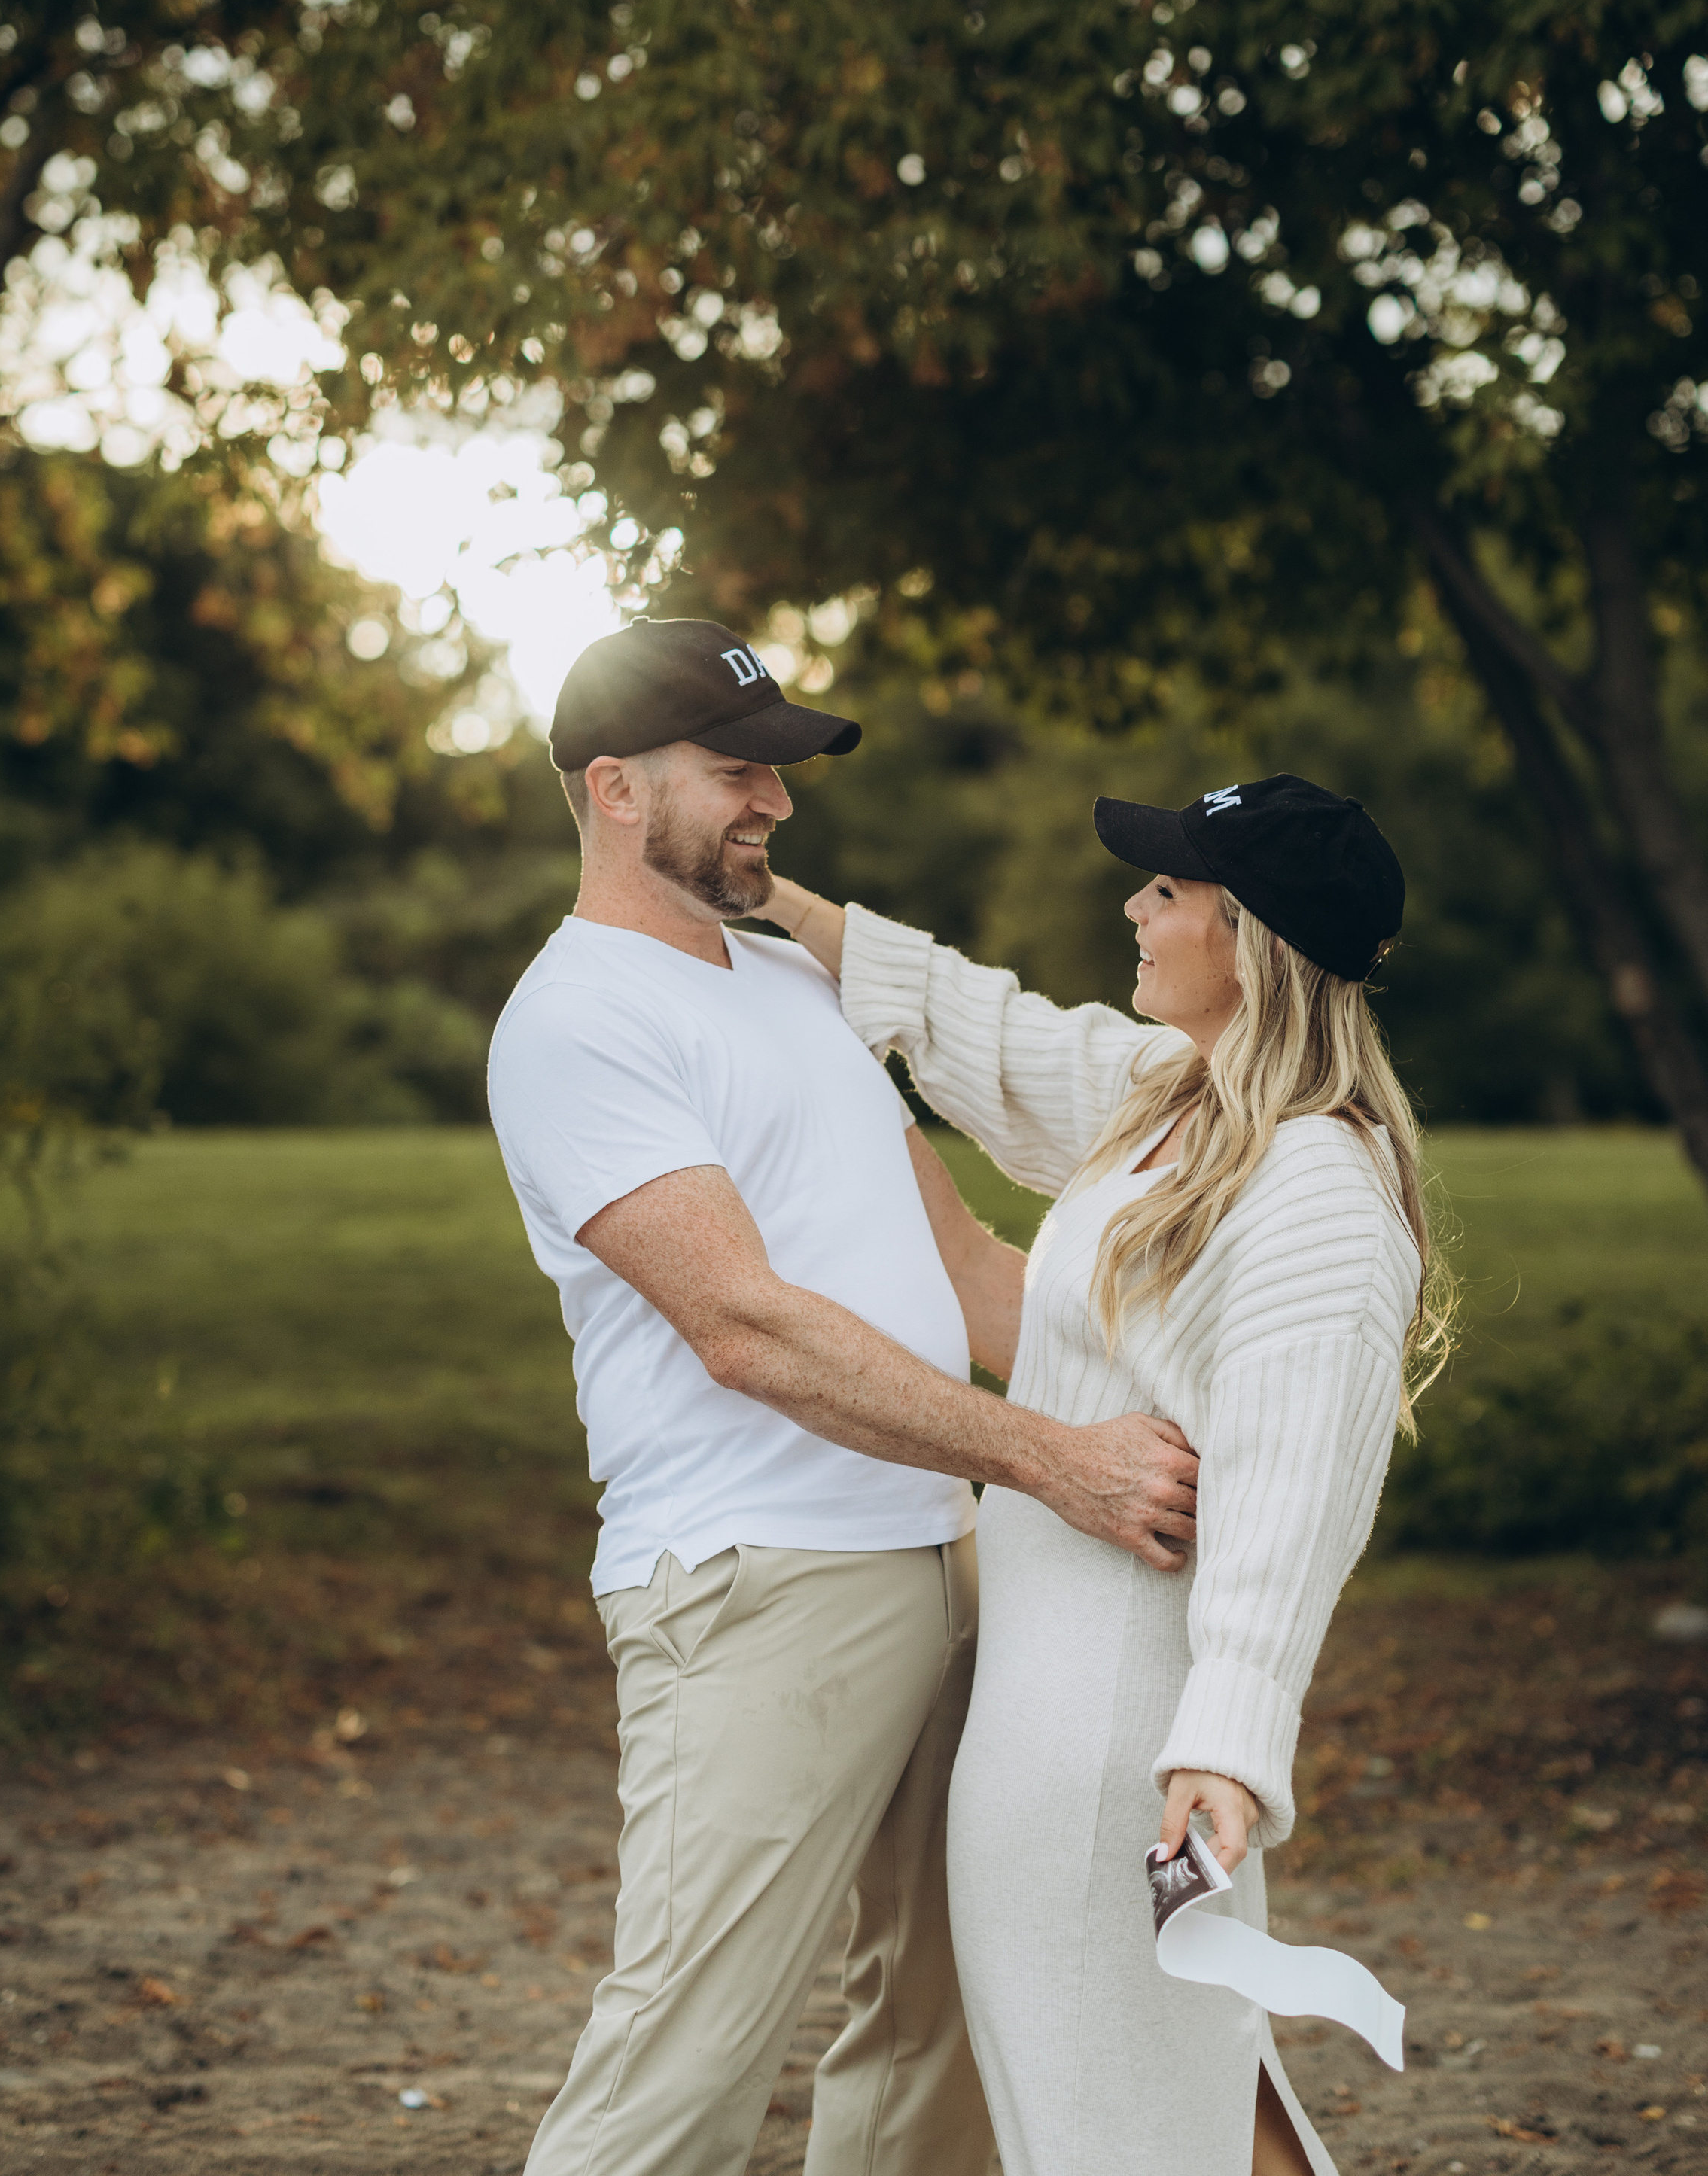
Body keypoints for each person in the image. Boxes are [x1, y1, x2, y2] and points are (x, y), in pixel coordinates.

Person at [486, 616, 1202, 2176]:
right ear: (613, 788)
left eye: (781, 772)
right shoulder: (576, 1018)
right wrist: (1049, 1463)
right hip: (756, 1585)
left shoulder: (779, 980)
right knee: (681, 2059)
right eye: (737, 772)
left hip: (938, 1559)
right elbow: (745, 1326)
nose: (775, 804)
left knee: (943, 2032)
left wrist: (1207, 1405)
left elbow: (963, 1269)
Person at [760, 773, 1450, 2176]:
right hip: (1043, 1720)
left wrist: (1226, 1749)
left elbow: (1295, 1491)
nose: (1135, 906)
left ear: (1250, 938)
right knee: (1178, 2110)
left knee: (1123, 2126)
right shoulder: (1173, 1108)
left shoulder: (1316, 1184)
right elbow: (986, 1036)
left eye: (1170, 889)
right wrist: (772, 909)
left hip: (1117, 1748)